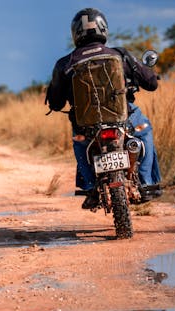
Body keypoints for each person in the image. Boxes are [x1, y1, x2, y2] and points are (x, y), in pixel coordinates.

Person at [45, 8, 162, 209]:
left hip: (85, 125)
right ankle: (146, 183)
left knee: (80, 143)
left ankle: (90, 187)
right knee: (144, 130)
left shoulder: (65, 64)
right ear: (103, 29)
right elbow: (151, 83)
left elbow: (55, 103)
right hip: (124, 117)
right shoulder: (120, 55)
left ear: (75, 34)